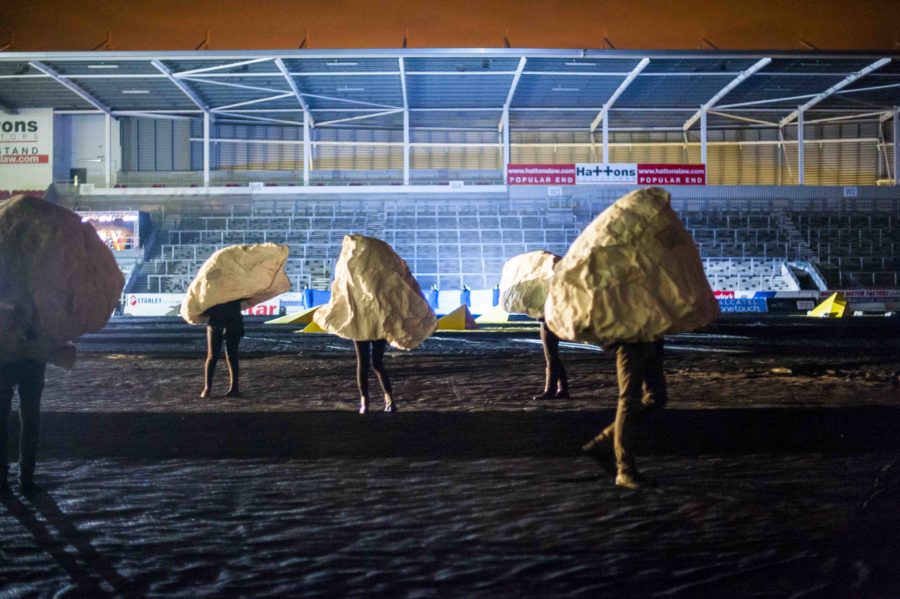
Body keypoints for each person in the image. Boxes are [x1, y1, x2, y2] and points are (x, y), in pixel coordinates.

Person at [582, 339, 667, 490]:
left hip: (650, 335)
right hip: (630, 337)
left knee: (656, 398)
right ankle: (625, 471)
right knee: (629, 399)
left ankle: (602, 443)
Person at [0, 358, 47, 495]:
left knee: (2, 420)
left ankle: (2, 480)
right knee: (30, 419)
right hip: (33, 358)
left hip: (5, 356)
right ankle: (26, 480)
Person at [200, 299, 244, 398]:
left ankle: (231, 388)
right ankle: (209, 388)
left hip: (228, 320)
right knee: (218, 355)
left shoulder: (233, 287)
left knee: (226, 355)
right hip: (222, 320)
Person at [353, 339, 395, 414]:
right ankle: (389, 400)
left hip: (362, 328)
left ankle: (364, 401)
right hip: (377, 328)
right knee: (376, 362)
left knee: (364, 362)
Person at [534, 318, 569, 400]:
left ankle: (551, 390)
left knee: (551, 358)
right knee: (553, 357)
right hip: (551, 322)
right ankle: (563, 389)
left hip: (549, 323)